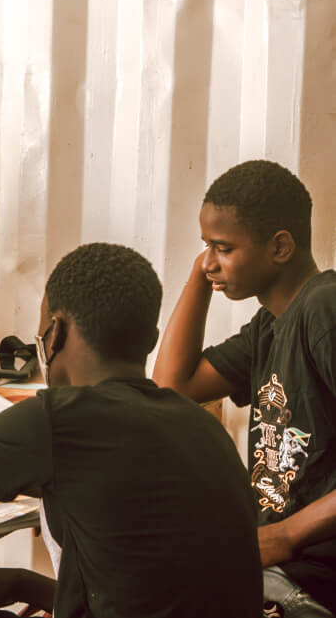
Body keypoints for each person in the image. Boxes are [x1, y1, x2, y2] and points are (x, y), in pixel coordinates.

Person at [0, 242, 263, 618]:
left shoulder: (56, 419)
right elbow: (140, 594)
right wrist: (19, 582)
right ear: (150, 340)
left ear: (53, 333)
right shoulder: (201, 426)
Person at [153, 160, 336, 616]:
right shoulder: (268, 327)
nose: (210, 261)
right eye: (205, 248)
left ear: (279, 247)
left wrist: (285, 535)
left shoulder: (324, 309)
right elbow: (172, 386)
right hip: (280, 562)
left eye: (223, 247)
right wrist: (201, 274)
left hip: (316, 573)